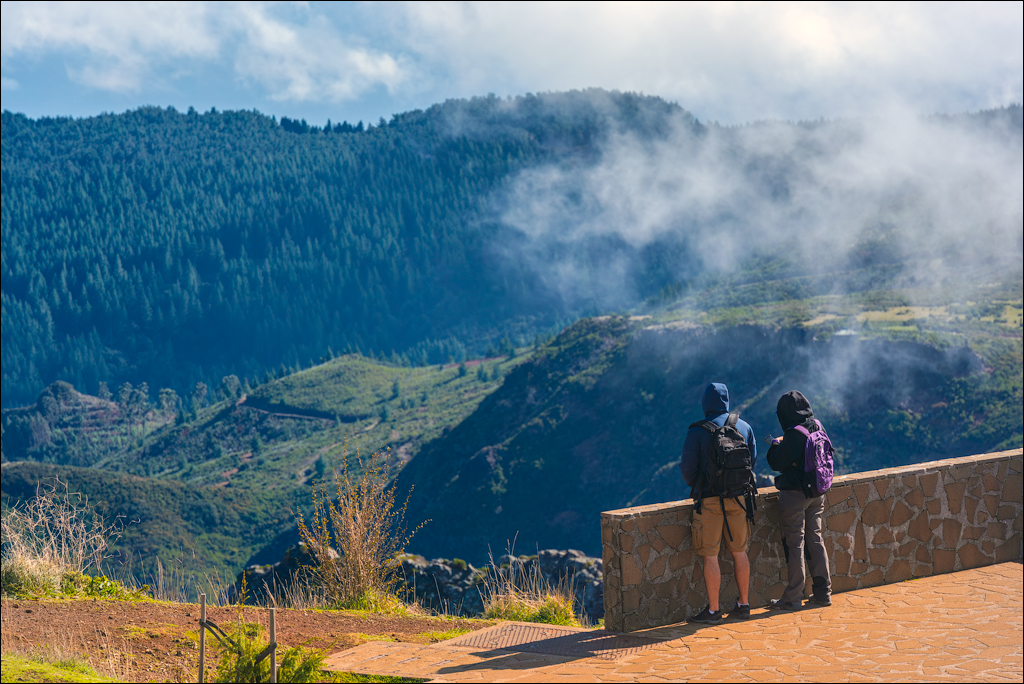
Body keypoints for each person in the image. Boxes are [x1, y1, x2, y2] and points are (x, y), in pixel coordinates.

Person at [680, 382, 758, 623]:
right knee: (739, 551)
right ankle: (744, 604)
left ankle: (714, 611)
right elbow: (751, 462)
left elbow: (687, 471)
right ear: (727, 399)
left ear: (705, 402)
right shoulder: (744, 427)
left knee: (710, 556)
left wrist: (702, 484)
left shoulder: (697, 431)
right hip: (738, 498)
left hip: (710, 501)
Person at [766, 390, 832, 610]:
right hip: (817, 492)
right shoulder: (817, 426)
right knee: (815, 539)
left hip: (795, 495)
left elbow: (776, 462)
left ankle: (793, 597)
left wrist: (776, 444)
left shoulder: (795, 434)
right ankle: (823, 592)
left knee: (795, 544)